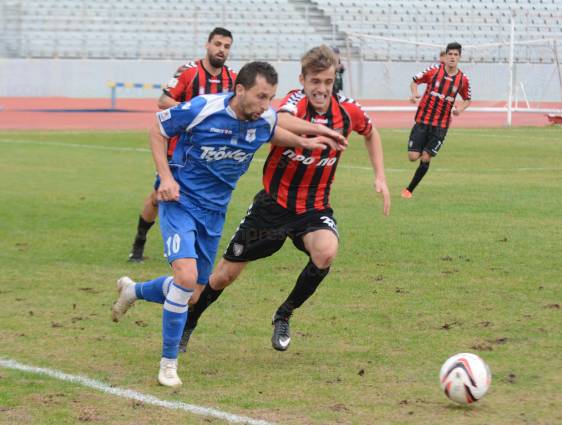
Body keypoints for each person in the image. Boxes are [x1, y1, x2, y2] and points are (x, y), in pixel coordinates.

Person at [111, 61, 346, 387]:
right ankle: (168, 364)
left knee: (192, 293)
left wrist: (308, 140)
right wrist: (165, 178)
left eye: (271, 98)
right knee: (186, 276)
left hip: (214, 213)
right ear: (239, 90)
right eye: (261, 96)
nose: (265, 105)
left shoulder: (260, 117)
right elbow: (158, 127)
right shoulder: (203, 108)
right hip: (178, 201)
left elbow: (272, 127)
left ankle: (133, 290)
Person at [179, 45, 391, 353]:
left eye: (328, 82)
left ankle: (284, 313)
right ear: (303, 80)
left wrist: (380, 176)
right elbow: (278, 120)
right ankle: (190, 322)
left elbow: (371, 133)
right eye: (315, 81)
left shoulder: (348, 110)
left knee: (327, 252)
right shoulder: (294, 102)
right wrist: (319, 130)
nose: (321, 89)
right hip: (272, 207)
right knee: (224, 275)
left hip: (313, 209)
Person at [128, 27, 236, 262]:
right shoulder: (189, 72)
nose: (221, 50)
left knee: (203, 199)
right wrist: (191, 114)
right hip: (176, 151)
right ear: (208, 45)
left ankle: (190, 249)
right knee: (159, 197)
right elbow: (163, 100)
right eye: (217, 44)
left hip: (210, 155)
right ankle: (139, 244)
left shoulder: (233, 79)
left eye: (226, 46)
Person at [401, 42, 471, 199]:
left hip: (441, 126)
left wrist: (460, 109)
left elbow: (467, 99)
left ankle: (409, 190)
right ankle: (421, 150)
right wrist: (414, 94)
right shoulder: (433, 71)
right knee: (413, 157)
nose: (452, 57)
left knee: (426, 157)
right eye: (450, 54)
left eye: (456, 55)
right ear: (445, 56)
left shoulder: (462, 80)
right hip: (422, 121)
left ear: (459, 57)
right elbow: (415, 81)